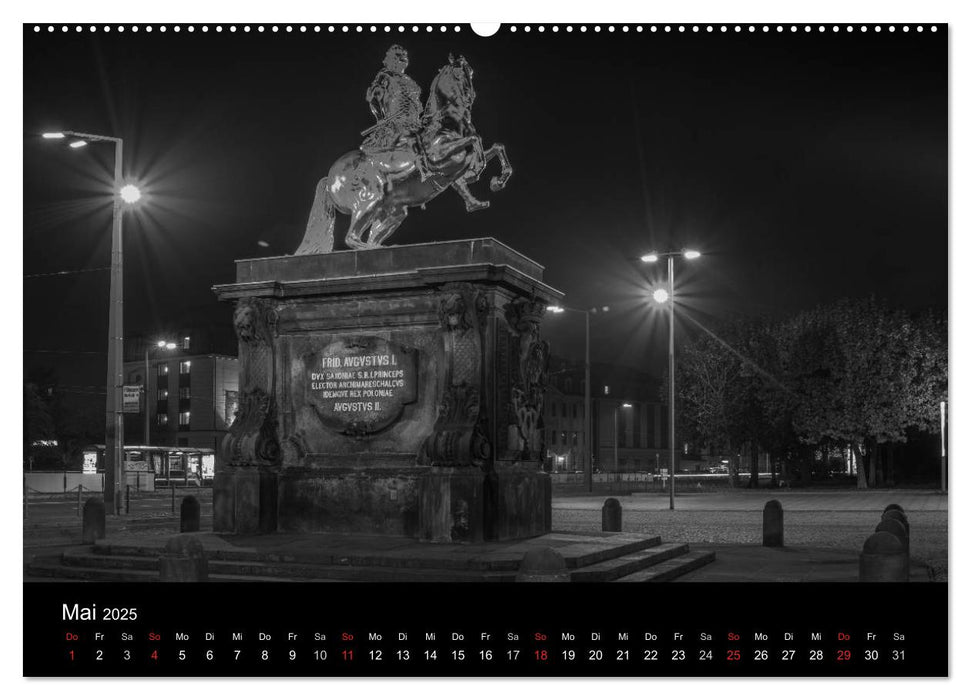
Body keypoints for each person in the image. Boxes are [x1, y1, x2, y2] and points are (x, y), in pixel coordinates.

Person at [361, 45, 430, 180]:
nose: (402, 58)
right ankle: (425, 171)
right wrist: (380, 118)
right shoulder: (385, 76)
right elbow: (374, 98)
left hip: (415, 120)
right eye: (397, 56)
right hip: (397, 120)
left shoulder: (409, 80)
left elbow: (415, 101)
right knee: (411, 137)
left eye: (404, 56)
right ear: (391, 59)